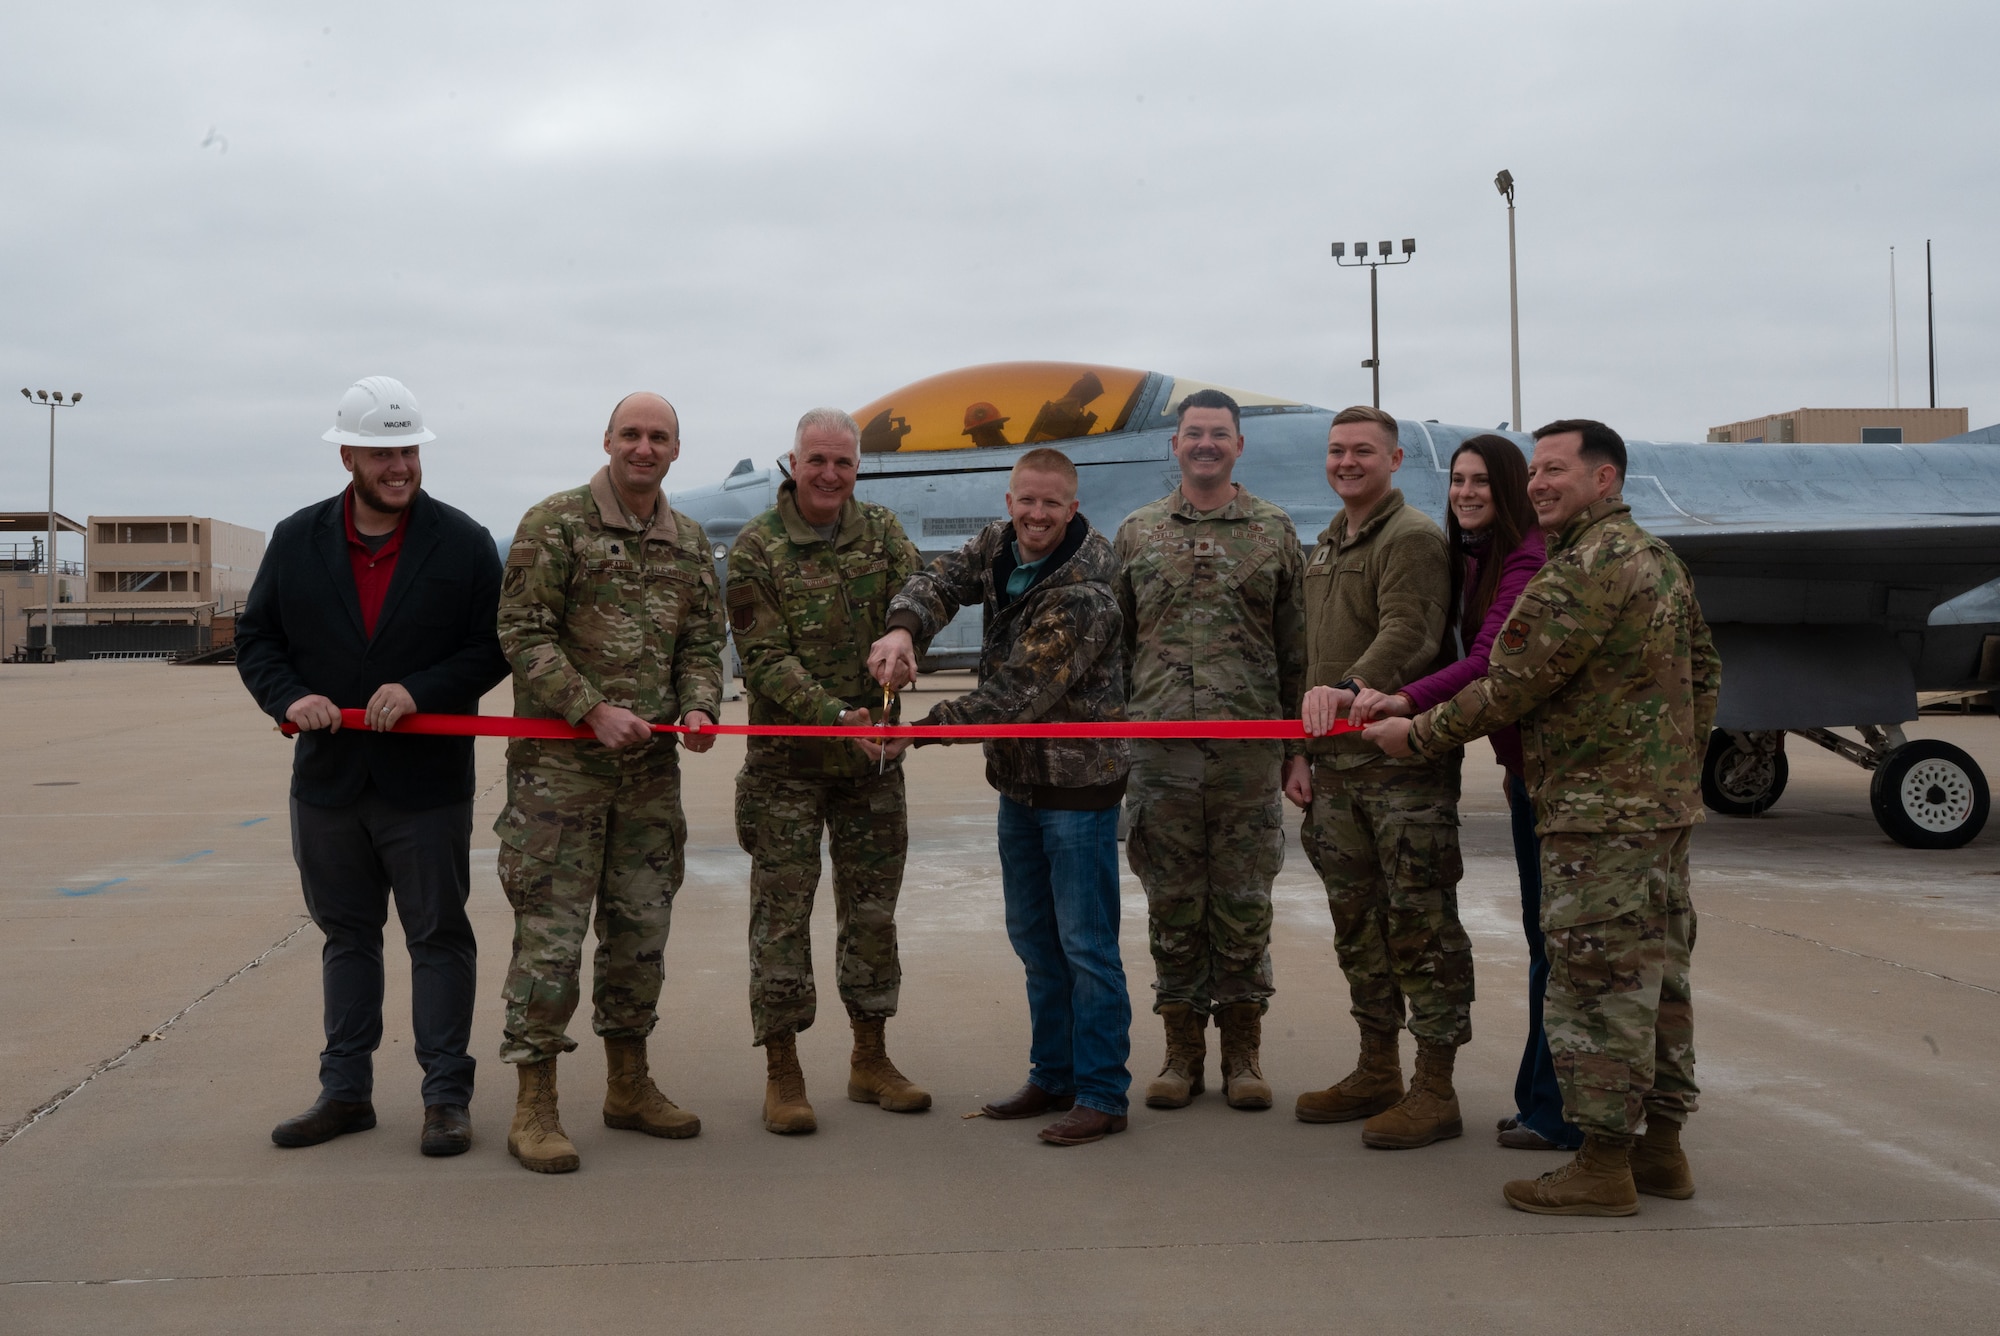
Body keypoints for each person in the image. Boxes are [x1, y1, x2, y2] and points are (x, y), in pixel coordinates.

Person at [1365, 419, 1719, 1216]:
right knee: (1660, 982)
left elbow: (1505, 686)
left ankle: (1602, 1165)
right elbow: (1706, 670)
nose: (1538, 485)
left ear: (1606, 479)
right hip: (1657, 813)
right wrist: (1670, 771)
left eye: (1556, 470)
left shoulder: (1577, 572)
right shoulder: (1658, 561)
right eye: (1535, 472)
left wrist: (1413, 734)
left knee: (1597, 988)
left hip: (1595, 822)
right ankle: (1661, 1151)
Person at [237, 375, 508, 1158]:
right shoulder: (296, 539)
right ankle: (345, 1091)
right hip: (328, 783)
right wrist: (291, 698)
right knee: (346, 938)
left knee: (438, 938)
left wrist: (421, 690)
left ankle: (445, 1098)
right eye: (385, 451)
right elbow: (258, 640)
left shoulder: (461, 542)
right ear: (349, 456)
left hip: (423, 787)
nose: (401, 465)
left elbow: (491, 647)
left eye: (410, 449)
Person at [868, 447, 1133, 1146]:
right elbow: (942, 579)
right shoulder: (999, 543)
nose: (1036, 515)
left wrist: (917, 737)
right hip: (1019, 785)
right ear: (1009, 500)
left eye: (1051, 504)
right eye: (1026, 501)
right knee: (1036, 943)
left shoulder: (1087, 591)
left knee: (1087, 947)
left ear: (1072, 509)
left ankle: (1103, 1092)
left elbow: (1016, 694)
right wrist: (903, 625)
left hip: (1078, 791)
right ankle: (1054, 1074)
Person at [493, 391, 724, 1174]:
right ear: (608, 440)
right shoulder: (553, 523)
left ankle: (628, 1085)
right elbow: (521, 633)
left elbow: (702, 639)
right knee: (550, 945)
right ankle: (536, 1103)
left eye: (659, 437)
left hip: (650, 780)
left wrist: (698, 703)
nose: (644, 448)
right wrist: (590, 710)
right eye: (632, 434)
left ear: (676, 450)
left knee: (639, 937)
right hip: (559, 779)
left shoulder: (689, 541)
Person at [1347, 434, 1576, 1150]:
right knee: (1547, 945)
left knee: (1559, 950)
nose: (1466, 492)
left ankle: (1558, 1113)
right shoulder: (1478, 560)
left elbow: (1486, 664)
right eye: (1457, 480)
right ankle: (1541, 1102)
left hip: (1558, 783)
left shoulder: (1527, 559)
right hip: (1527, 776)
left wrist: (1403, 704)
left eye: (1482, 481)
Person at [726, 407, 928, 1135]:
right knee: (781, 920)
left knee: (872, 915)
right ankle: (783, 1070)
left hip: (871, 767)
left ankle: (870, 1058)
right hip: (787, 769)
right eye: (817, 460)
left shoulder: (882, 533)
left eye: (843, 462)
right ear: (792, 461)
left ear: (857, 468)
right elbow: (766, 661)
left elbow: (918, 604)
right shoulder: (756, 549)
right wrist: (838, 717)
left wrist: (906, 646)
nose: (830, 474)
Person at [1287, 404, 1475, 1150]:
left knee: (1420, 929)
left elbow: (1413, 629)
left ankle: (1435, 1087)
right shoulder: (1330, 541)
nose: (1346, 463)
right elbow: (1311, 655)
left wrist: (1351, 685)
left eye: (1362, 451)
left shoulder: (1414, 538)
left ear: (1395, 461)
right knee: (1357, 928)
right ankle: (1376, 1067)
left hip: (1400, 774)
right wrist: (1301, 746)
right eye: (1336, 451)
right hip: (1336, 772)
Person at [1112, 388, 1305, 1112]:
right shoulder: (1137, 534)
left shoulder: (1274, 531)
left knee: (1245, 905)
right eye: (1193, 434)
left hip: (1247, 755)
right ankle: (1181, 1052)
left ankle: (1244, 1054)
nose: (1205, 445)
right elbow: (1118, 646)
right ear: (1175, 445)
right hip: (1160, 757)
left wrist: (1297, 750)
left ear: (1238, 446)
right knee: (1172, 904)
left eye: (1218, 435)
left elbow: (1296, 650)